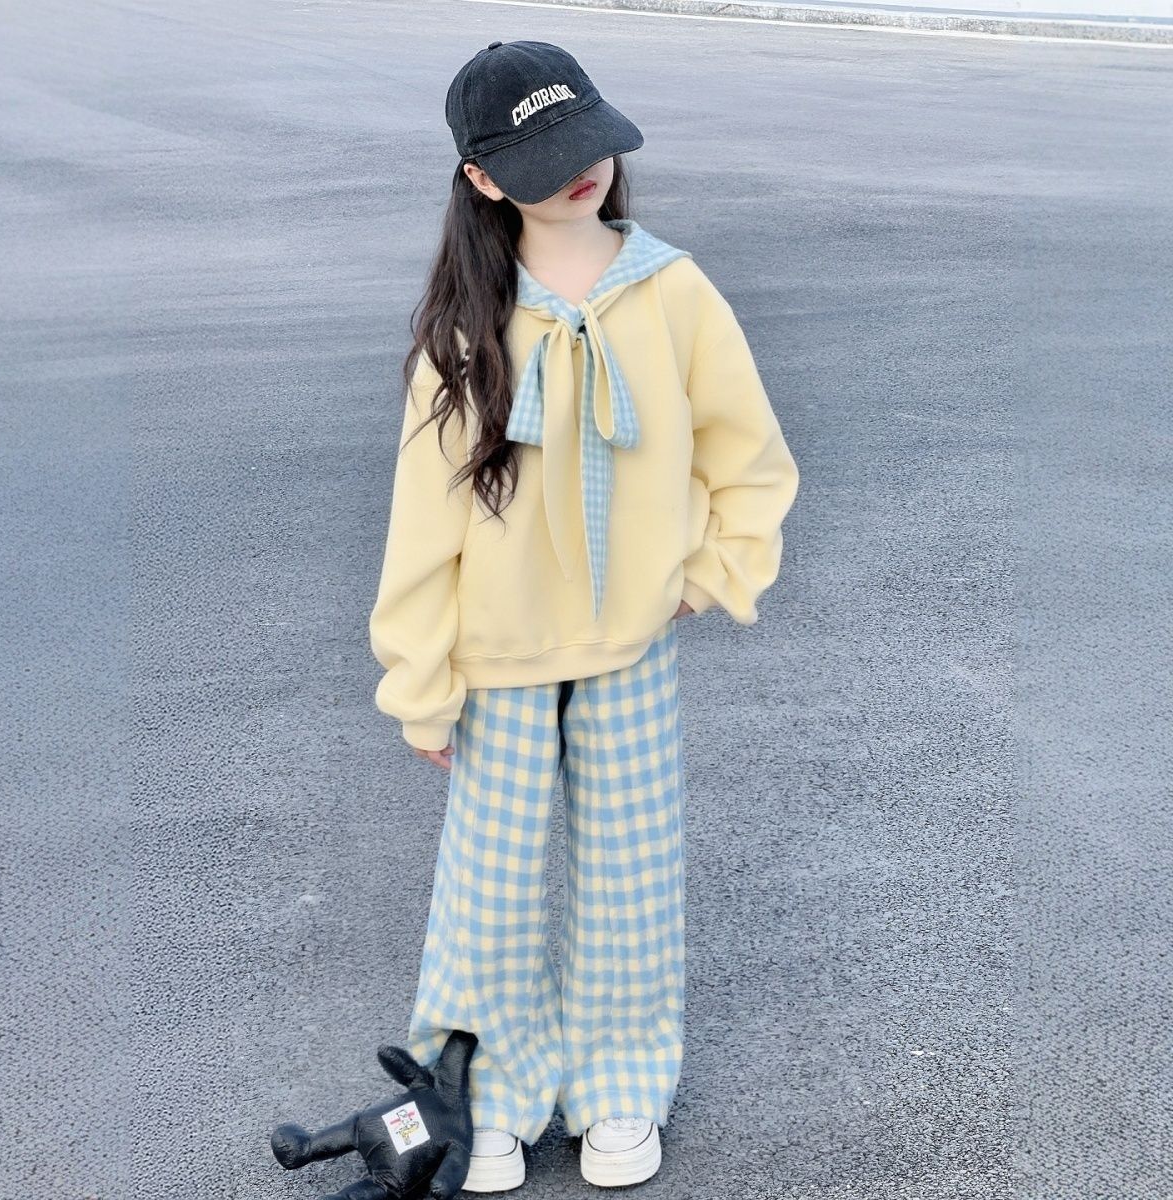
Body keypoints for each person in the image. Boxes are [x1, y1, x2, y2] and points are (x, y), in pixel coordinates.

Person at [367, 38, 800, 1193]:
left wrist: (709, 572)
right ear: (481, 177)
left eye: (586, 141)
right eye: (540, 156)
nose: (578, 169)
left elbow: (749, 454)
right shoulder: (469, 320)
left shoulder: (674, 290)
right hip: (498, 655)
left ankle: (620, 1087)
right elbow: (424, 517)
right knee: (491, 889)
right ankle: (487, 1096)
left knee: (630, 878)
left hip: (630, 649)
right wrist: (420, 677)